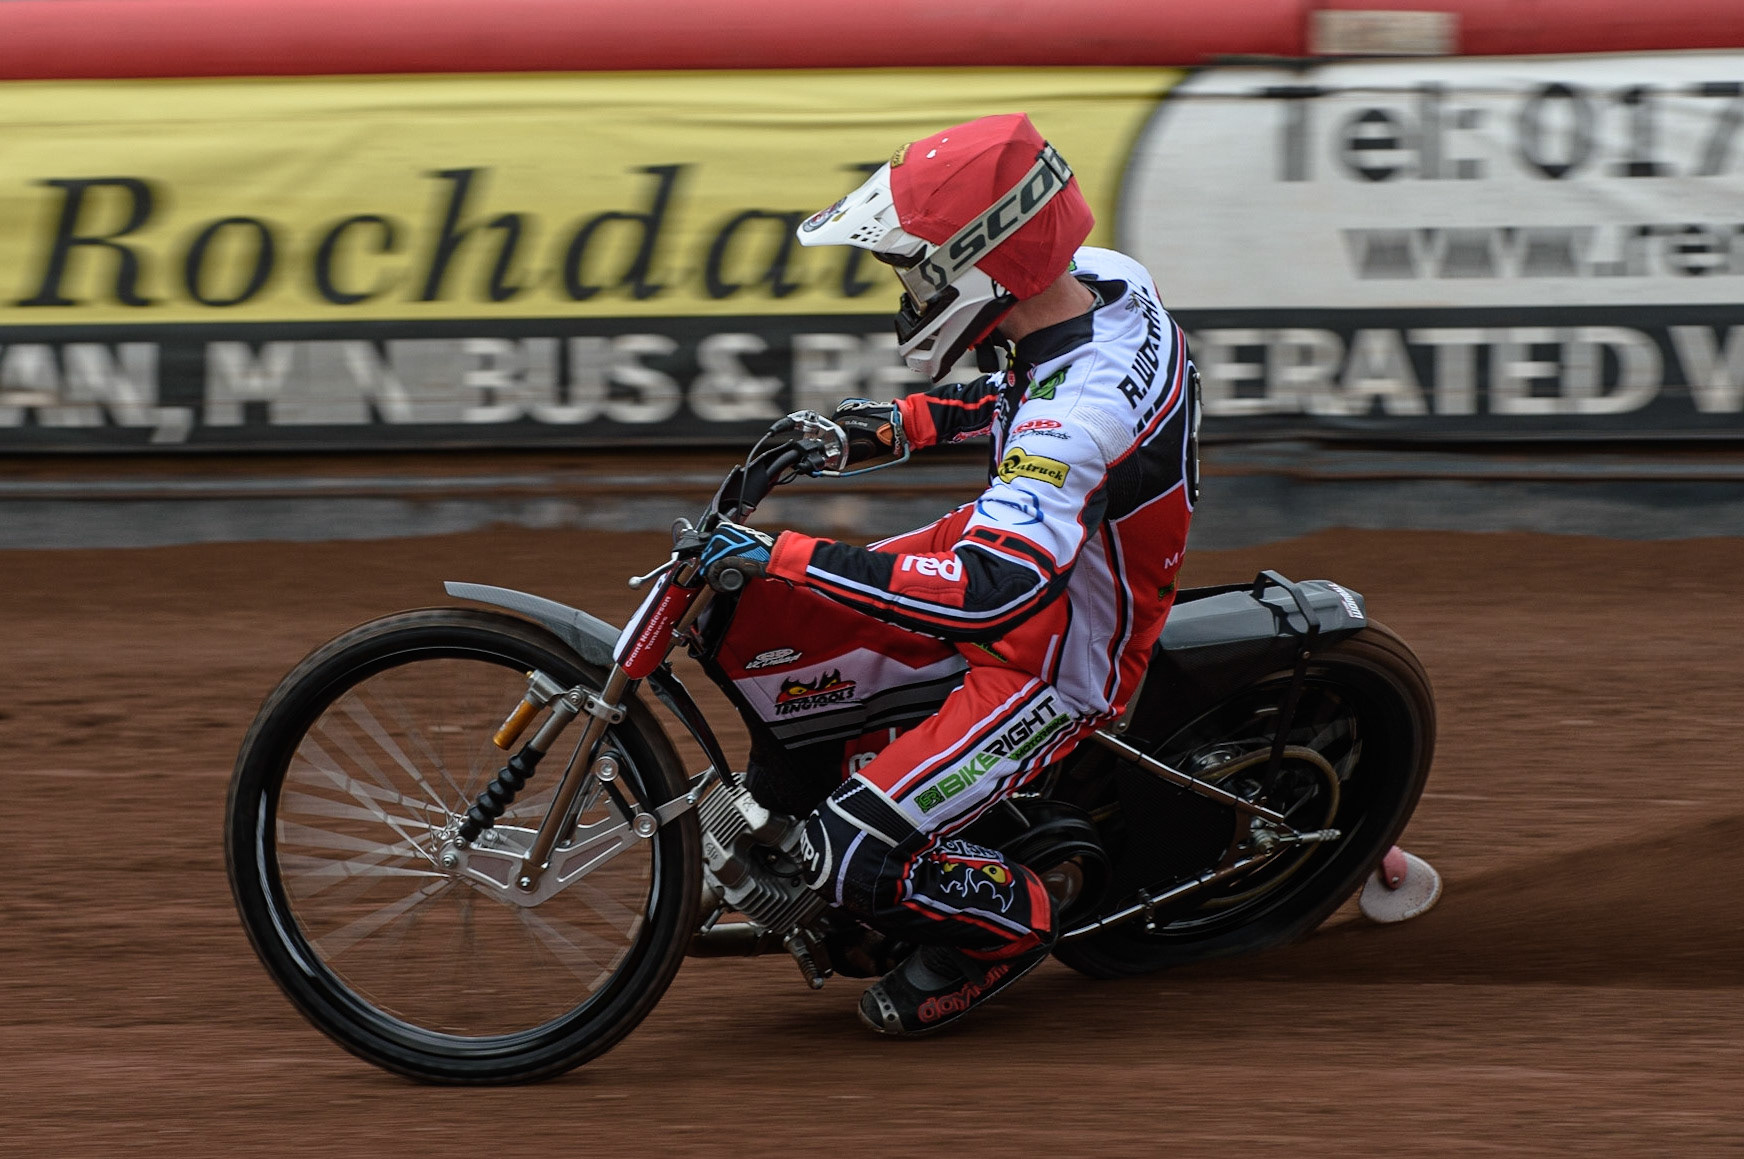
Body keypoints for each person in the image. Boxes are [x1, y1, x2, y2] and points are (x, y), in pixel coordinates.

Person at [695, 113, 1199, 1035]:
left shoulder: (1073, 422)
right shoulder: (1108, 285)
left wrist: (785, 549)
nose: (903, 285)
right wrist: (895, 426)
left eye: (911, 265)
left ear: (981, 261)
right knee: (783, 628)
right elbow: (1020, 391)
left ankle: (1013, 926)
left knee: (842, 859)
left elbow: (989, 593)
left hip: (1050, 653)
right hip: (1032, 544)